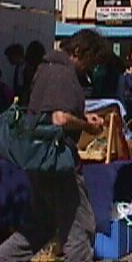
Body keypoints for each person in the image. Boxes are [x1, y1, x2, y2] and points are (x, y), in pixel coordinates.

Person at [0, 29, 107, 261]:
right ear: (78, 52)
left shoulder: (45, 69)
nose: (91, 69)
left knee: (39, 228)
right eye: (91, 61)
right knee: (80, 229)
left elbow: (48, 114)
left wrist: (82, 118)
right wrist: (87, 127)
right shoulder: (64, 74)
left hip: (38, 159)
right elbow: (60, 118)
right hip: (56, 162)